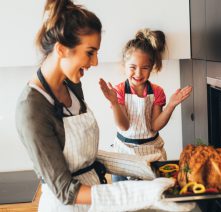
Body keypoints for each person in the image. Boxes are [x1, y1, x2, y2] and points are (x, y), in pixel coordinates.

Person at [15, 0, 195, 211]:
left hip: (96, 201)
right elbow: (65, 191)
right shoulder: (31, 109)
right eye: (90, 52)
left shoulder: (71, 86)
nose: (95, 62)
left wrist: (145, 168)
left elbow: (83, 156)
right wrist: (144, 192)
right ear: (62, 49)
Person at [99, 29, 193, 182]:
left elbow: (155, 125)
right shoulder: (119, 91)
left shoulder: (157, 92)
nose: (138, 73)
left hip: (151, 152)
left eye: (145, 68)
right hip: (124, 153)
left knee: (154, 194)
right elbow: (123, 126)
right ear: (124, 65)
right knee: (123, 198)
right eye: (133, 67)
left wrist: (171, 105)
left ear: (152, 67)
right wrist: (114, 103)